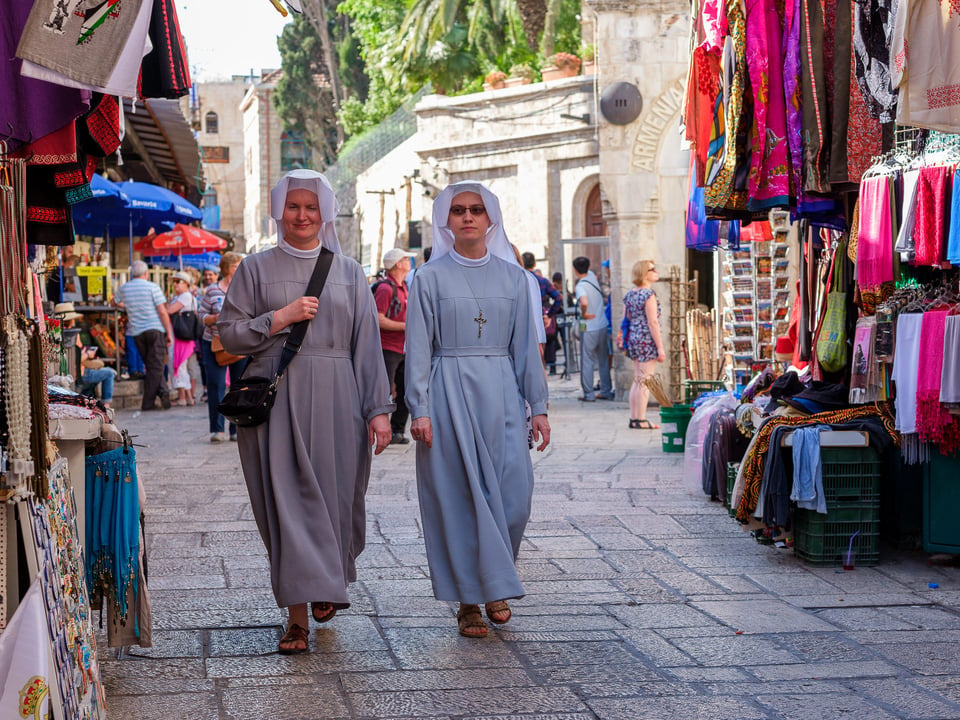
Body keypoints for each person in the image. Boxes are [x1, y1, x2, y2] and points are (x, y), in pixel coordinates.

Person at [217, 169, 393, 655]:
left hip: (339, 394)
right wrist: (280, 318)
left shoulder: (350, 270)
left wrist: (378, 409)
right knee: (287, 504)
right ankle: (296, 617)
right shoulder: (254, 268)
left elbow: (367, 345)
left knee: (336, 497)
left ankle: (325, 580)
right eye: (293, 206)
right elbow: (228, 336)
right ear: (279, 210)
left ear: (325, 213)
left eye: (310, 207)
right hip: (278, 399)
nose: (301, 215)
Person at [404, 180, 550, 639]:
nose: (468, 217)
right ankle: (472, 599)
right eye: (459, 210)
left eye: (477, 210)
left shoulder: (516, 279)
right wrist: (419, 408)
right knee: (459, 496)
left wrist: (539, 406)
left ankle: (497, 577)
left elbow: (526, 347)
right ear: (446, 221)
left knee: (513, 496)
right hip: (448, 391)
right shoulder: (427, 278)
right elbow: (418, 350)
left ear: (491, 219)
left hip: (503, 391)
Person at [198, 252, 247, 442]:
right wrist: (213, 319)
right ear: (227, 268)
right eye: (236, 266)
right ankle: (217, 429)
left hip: (239, 343)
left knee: (238, 387)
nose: (239, 269)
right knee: (216, 386)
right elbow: (200, 316)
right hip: (214, 344)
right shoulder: (212, 291)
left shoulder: (246, 289)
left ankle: (236, 429)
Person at [114, 260, 174, 411]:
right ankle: (148, 402)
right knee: (157, 366)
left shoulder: (124, 289)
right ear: (146, 273)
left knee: (151, 364)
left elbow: (113, 303)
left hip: (137, 332)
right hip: (155, 329)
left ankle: (163, 392)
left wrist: (128, 305)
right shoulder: (153, 287)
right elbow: (162, 311)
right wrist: (168, 331)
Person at [375, 246, 417, 445]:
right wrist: (406, 326)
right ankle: (381, 427)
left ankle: (397, 431)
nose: (410, 262)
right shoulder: (385, 289)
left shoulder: (404, 287)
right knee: (384, 389)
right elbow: (378, 318)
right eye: (407, 259)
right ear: (398, 264)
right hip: (388, 347)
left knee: (405, 389)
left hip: (403, 348)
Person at [622, 259, 665, 429]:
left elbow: (628, 318)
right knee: (645, 380)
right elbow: (653, 322)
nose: (656, 271)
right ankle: (640, 419)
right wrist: (660, 347)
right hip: (647, 339)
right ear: (644, 274)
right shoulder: (648, 294)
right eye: (652, 269)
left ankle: (635, 417)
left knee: (638, 379)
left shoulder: (631, 294)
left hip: (634, 337)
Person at [57, 302, 116, 408]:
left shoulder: (56, 335)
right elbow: (77, 358)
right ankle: (106, 405)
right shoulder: (73, 335)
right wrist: (88, 354)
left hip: (64, 374)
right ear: (71, 320)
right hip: (78, 374)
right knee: (109, 373)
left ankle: (89, 401)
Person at [573, 256, 613, 401]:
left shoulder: (580, 286)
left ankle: (589, 394)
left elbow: (583, 301)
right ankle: (606, 390)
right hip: (602, 324)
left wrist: (584, 313)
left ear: (574, 270)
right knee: (603, 359)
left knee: (587, 360)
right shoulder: (592, 278)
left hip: (589, 327)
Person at [522, 252, 563, 370]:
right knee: (542, 352)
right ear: (535, 264)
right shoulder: (542, 281)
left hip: (524, 320)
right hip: (540, 319)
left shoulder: (519, 279)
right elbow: (558, 298)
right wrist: (549, 315)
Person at [166, 271, 197, 406]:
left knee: (178, 366)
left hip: (180, 338)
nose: (175, 284)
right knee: (182, 367)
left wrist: (164, 305)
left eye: (178, 281)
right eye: (174, 281)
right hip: (184, 337)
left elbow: (169, 310)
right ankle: (188, 397)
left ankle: (182, 397)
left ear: (186, 284)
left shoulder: (185, 296)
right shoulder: (186, 296)